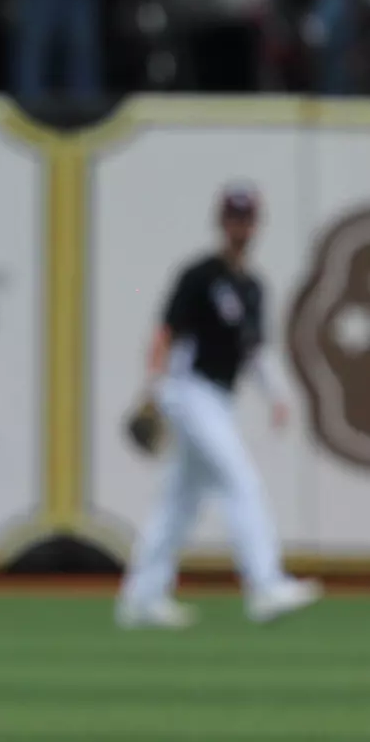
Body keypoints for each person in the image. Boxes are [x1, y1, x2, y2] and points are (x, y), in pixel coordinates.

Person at [116, 182, 323, 628]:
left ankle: (142, 597)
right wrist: (151, 389)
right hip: (188, 391)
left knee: (179, 501)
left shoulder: (252, 287)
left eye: (246, 218)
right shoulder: (200, 275)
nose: (240, 226)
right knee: (240, 481)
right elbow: (165, 334)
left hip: (220, 399)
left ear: (256, 224)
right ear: (221, 221)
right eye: (234, 217)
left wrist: (276, 395)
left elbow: (254, 350)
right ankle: (265, 585)